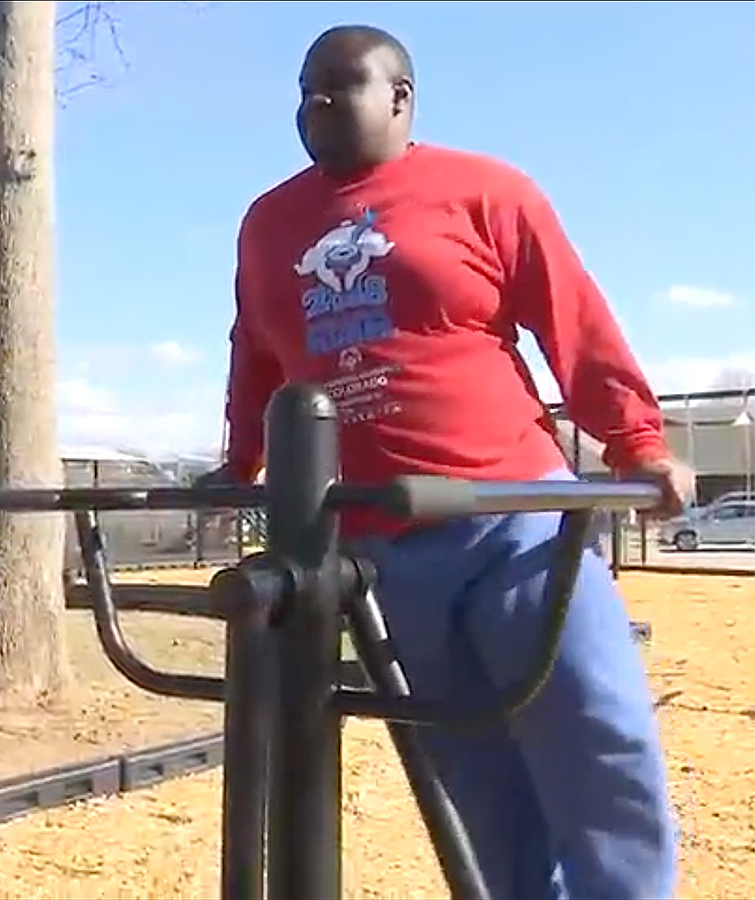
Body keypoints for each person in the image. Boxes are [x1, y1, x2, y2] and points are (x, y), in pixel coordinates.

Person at [201, 25, 693, 900]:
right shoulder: (269, 221)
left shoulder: (484, 190)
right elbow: (258, 357)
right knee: (469, 777)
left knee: (598, 745)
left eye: (337, 86)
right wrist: (241, 460)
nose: (313, 105)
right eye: (304, 90)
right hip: (374, 545)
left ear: (401, 96)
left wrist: (638, 442)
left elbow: (570, 319)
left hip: (515, 515)